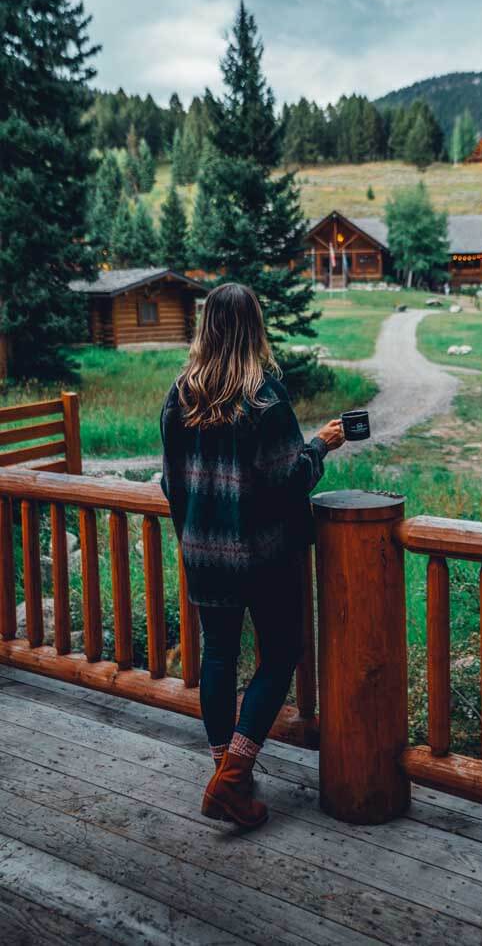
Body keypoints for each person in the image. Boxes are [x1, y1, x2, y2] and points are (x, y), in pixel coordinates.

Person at [160, 282, 344, 828]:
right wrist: (321, 445)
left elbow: (172, 484)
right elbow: (292, 479)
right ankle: (233, 777)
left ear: (206, 327)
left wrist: (191, 535)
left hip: (203, 553)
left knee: (217, 656)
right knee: (281, 653)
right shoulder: (265, 398)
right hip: (263, 557)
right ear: (254, 328)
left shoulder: (180, 395)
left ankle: (224, 775)